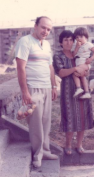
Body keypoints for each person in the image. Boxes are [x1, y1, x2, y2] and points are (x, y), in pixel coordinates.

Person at [15, 16, 58, 168]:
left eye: (48, 29)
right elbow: (20, 68)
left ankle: (45, 151)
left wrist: (53, 86)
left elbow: (50, 67)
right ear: (35, 26)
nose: (46, 31)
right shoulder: (25, 42)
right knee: (35, 123)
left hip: (46, 86)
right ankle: (37, 155)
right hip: (33, 88)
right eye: (43, 27)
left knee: (46, 121)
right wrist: (25, 92)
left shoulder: (46, 44)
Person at [53, 30, 94, 155]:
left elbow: (87, 69)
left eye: (71, 39)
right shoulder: (58, 56)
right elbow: (61, 72)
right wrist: (76, 68)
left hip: (83, 90)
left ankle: (79, 144)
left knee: (83, 117)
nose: (69, 42)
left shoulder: (79, 52)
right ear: (61, 42)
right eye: (65, 40)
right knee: (70, 118)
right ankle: (68, 145)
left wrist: (86, 70)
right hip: (68, 92)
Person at [72, 27, 94, 99]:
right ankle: (87, 92)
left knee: (75, 74)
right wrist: (77, 47)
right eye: (77, 37)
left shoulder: (88, 44)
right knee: (82, 77)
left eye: (81, 37)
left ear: (86, 37)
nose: (79, 39)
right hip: (79, 63)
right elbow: (73, 55)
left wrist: (91, 59)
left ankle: (78, 88)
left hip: (84, 63)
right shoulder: (76, 46)